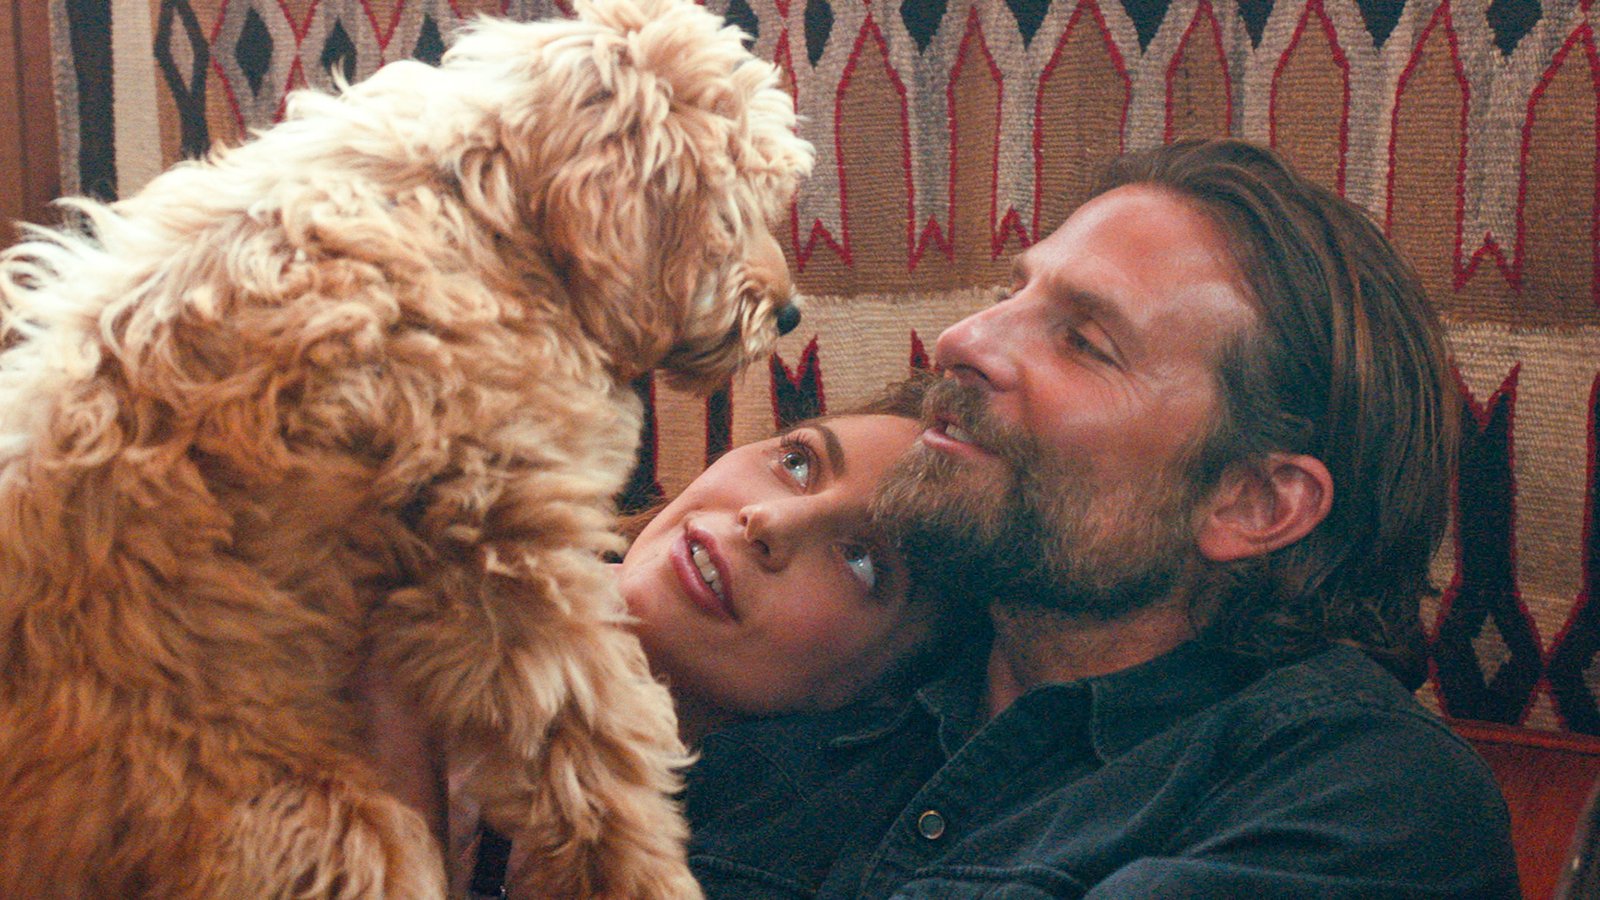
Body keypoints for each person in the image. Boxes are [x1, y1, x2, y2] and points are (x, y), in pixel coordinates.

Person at [682, 138, 1520, 897]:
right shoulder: (856, 680)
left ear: (1252, 503)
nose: (963, 338)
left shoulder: (1367, 801)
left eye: (1083, 340)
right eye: (1010, 293)